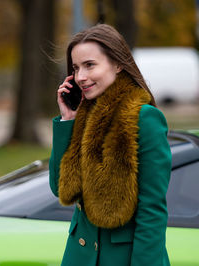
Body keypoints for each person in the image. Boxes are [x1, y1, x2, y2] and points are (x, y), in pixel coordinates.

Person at [49, 24, 171, 266]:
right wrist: (67, 121)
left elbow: (152, 210)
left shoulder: (144, 118)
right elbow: (59, 187)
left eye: (90, 65)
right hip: (79, 256)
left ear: (117, 64)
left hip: (122, 258)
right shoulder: (82, 115)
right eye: (75, 68)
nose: (81, 76)